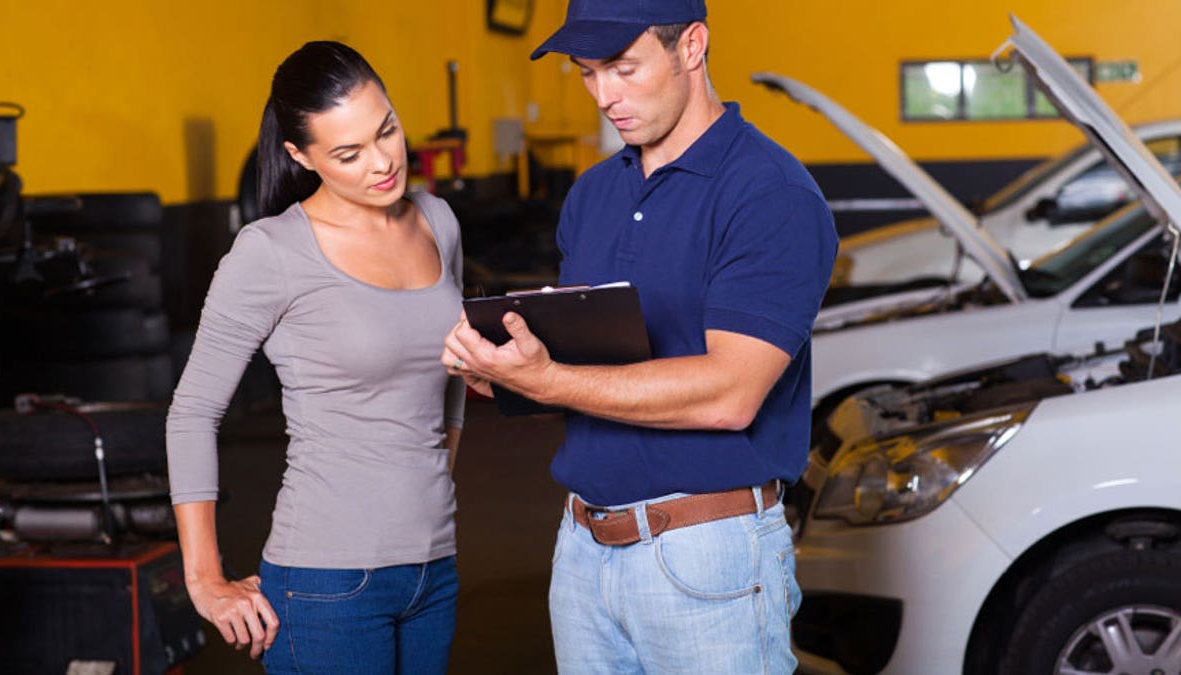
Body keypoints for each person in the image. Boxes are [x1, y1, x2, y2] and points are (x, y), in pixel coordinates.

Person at [442, 1, 838, 672]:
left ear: (692, 46)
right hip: (582, 551)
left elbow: (729, 393)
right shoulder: (592, 195)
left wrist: (547, 379)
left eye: (625, 68)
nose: (605, 96)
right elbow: (592, 369)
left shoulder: (769, 194)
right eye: (588, 73)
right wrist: (504, 368)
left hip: (707, 557)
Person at [167, 41, 466, 674]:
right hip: (326, 581)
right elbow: (191, 412)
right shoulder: (270, 251)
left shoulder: (438, 222)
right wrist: (204, 579)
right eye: (349, 154)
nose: (383, 162)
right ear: (301, 156)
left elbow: (454, 378)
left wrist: (432, 490)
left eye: (386, 130)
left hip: (434, 571)